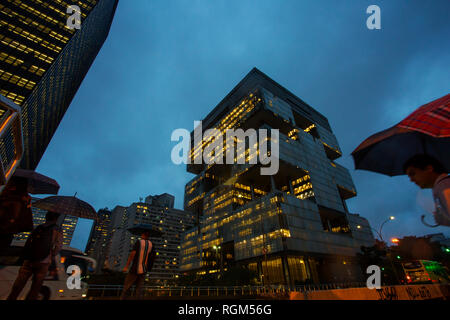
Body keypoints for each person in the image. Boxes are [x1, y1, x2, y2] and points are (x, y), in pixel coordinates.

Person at [7, 211, 63, 300]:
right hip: (44, 261)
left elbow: (28, 242)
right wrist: (52, 255)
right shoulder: (57, 229)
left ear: (46, 217)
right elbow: (58, 246)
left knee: (18, 285)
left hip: (29, 259)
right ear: (56, 218)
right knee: (36, 287)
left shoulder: (38, 227)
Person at [403, 154, 450, 227]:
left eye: (413, 173)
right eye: (409, 176)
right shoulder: (441, 186)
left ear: (429, 168)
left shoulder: (444, 185)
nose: (411, 180)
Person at [120, 230, 156, 300]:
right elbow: (152, 257)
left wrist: (126, 266)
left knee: (127, 287)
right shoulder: (151, 244)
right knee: (139, 290)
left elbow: (132, 254)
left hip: (134, 268)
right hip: (144, 269)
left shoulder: (139, 242)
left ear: (143, 234)